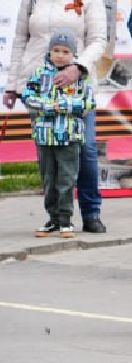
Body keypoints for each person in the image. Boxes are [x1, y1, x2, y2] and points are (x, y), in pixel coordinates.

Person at [3, 0, 111, 234]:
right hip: (40, 90)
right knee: (48, 156)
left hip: (76, 90)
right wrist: (13, 85)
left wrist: (78, 67)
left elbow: (99, 40)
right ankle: (58, 216)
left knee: (84, 150)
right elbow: (20, 40)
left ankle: (91, 211)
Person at [22, 33, 95, 237]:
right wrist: (46, 106)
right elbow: (28, 96)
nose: (60, 55)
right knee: (48, 178)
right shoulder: (39, 73)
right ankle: (52, 219)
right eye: (56, 50)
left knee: (66, 178)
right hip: (45, 135)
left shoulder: (81, 77)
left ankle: (66, 220)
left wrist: (63, 106)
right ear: (50, 51)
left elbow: (89, 103)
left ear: (73, 54)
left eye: (65, 51)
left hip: (69, 136)